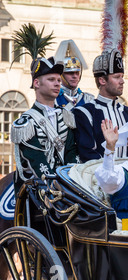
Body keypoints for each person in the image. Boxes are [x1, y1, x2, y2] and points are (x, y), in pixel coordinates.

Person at [11, 56, 79, 195]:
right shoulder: (26, 123)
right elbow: (36, 160)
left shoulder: (66, 116)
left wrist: (72, 181)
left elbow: (71, 152)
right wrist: (56, 187)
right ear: (36, 83)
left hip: (67, 187)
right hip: (40, 189)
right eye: (51, 80)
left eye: (59, 80)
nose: (57, 84)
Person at [73, 48, 128, 162]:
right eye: (117, 77)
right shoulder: (85, 113)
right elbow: (87, 153)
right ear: (102, 80)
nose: (122, 81)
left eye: (122, 76)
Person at [54, 40, 94, 110]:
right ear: (61, 75)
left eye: (77, 73)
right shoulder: (54, 99)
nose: (75, 76)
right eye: (70, 73)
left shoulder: (88, 99)